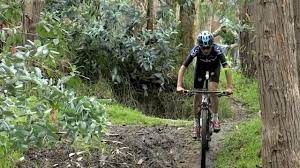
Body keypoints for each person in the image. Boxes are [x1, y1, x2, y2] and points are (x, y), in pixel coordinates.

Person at [176, 31, 233, 138]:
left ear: (212, 45)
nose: (206, 50)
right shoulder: (196, 50)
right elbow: (183, 67)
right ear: (199, 46)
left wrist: (229, 86)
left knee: (212, 90)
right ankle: (196, 124)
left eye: (208, 48)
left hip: (214, 68)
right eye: (203, 48)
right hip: (200, 69)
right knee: (197, 94)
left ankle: (215, 118)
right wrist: (179, 85)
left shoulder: (217, 50)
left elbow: (226, 67)